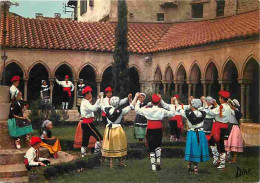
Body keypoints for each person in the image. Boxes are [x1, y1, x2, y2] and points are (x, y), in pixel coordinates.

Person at [135, 93, 176, 171]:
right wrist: (171, 104)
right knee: (158, 146)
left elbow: (137, 110)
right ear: (159, 102)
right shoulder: (161, 110)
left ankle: (153, 166)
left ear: (151, 101)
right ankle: (158, 162)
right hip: (158, 129)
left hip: (150, 128)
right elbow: (172, 113)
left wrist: (137, 100)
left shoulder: (147, 109)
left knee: (151, 147)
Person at [101, 94, 138, 169]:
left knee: (110, 145)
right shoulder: (121, 111)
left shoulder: (106, 109)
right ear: (118, 103)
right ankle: (121, 161)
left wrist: (101, 96)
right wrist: (136, 97)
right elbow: (131, 106)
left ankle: (111, 163)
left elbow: (101, 104)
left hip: (109, 129)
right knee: (120, 144)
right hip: (118, 128)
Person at [177, 98, 210, 175]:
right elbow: (206, 108)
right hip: (201, 133)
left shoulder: (187, 113)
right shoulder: (203, 113)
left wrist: (176, 101)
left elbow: (178, 109)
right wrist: (204, 102)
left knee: (191, 148)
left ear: (191, 105)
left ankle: (190, 165)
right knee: (197, 149)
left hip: (192, 132)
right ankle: (195, 167)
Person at [202, 90, 231, 170]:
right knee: (215, 141)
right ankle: (219, 160)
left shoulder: (221, 107)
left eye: (220, 97)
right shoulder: (227, 106)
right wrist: (215, 104)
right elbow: (219, 109)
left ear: (221, 98)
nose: (219, 99)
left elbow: (210, 112)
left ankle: (222, 164)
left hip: (219, 127)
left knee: (220, 145)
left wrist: (205, 103)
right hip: (223, 127)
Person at [80, 86, 103, 157]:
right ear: (86, 95)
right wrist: (99, 99)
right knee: (99, 138)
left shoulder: (85, 102)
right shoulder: (85, 102)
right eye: (90, 93)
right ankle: (97, 153)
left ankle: (83, 154)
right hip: (88, 123)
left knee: (85, 140)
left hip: (86, 123)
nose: (91, 95)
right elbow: (94, 109)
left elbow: (91, 109)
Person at [225, 99, 243, 163]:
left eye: (231, 104)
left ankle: (234, 159)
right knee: (228, 142)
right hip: (230, 127)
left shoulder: (235, 111)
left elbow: (238, 115)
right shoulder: (232, 110)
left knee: (234, 143)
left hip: (234, 128)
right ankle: (227, 157)